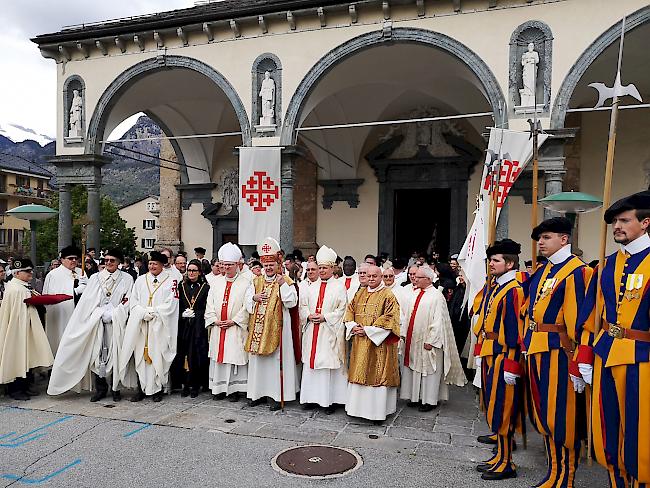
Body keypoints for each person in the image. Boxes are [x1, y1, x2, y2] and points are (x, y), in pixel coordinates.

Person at [580, 190, 650, 488]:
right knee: (609, 430)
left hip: (642, 358)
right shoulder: (607, 264)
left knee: (640, 435)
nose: (617, 226)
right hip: (605, 354)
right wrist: (583, 355)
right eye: (614, 222)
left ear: (645, 222)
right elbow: (591, 315)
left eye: (624, 220)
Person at [523, 217, 592, 488]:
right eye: (540, 238)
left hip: (559, 351)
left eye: (547, 237)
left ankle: (565, 477)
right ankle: (553, 472)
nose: (540, 242)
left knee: (561, 417)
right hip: (537, 347)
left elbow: (578, 321)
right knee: (544, 415)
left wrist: (578, 359)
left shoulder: (576, 271)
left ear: (564, 239)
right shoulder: (544, 270)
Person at [48, 249, 135, 402]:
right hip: (98, 321)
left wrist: (116, 312)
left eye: (112, 260)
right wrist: (100, 312)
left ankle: (116, 389)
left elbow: (128, 299)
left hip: (117, 321)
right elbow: (87, 301)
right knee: (97, 355)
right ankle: (100, 389)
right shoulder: (96, 278)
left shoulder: (127, 279)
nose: (108, 263)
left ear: (119, 262)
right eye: (105, 260)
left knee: (116, 355)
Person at [473, 239, 524, 480]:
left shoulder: (513, 289)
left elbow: (514, 332)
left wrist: (512, 364)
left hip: (504, 353)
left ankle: (506, 462)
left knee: (504, 407)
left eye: (496, 260)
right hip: (491, 350)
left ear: (510, 263)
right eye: (490, 260)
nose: (491, 264)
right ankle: (500, 456)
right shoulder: (496, 285)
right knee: (495, 404)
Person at [400, 266, 465, 412]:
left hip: (428, 341)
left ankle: (429, 400)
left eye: (418, 277)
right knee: (414, 368)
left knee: (429, 370)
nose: (414, 279)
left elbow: (439, 321)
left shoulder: (436, 296)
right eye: (414, 276)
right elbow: (406, 314)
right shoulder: (414, 293)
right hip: (413, 339)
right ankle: (414, 396)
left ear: (428, 279)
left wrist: (432, 340)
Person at [244, 237, 299, 410]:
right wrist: (254, 297)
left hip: (278, 330)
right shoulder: (255, 281)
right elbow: (246, 300)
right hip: (258, 330)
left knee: (275, 363)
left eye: (271, 265)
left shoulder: (286, 281)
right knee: (258, 363)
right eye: (265, 265)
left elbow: (291, 302)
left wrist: (282, 285)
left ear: (278, 266)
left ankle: (277, 396)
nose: (268, 268)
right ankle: (256, 394)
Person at [119, 251, 180, 402]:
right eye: (150, 263)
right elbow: (134, 301)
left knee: (158, 356)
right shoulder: (140, 280)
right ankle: (141, 389)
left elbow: (172, 304)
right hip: (142, 325)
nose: (152, 266)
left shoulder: (171, 281)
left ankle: (157, 389)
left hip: (160, 326)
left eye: (155, 264)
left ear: (162, 265)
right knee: (140, 356)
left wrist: (153, 312)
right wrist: (142, 313)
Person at [344, 265, 400, 422]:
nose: (371, 279)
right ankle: (356, 410)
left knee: (377, 375)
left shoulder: (388, 295)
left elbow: (390, 318)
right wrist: (352, 326)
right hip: (360, 342)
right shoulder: (360, 292)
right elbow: (349, 311)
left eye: (374, 276)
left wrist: (368, 330)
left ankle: (376, 413)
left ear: (381, 277)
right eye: (368, 276)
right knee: (358, 372)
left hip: (378, 346)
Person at [299, 246, 348, 413]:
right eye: (320, 268)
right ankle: (310, 398)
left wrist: (325, 317)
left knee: (327, 365)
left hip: (328, 332)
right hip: (312, 329)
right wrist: (307, 315)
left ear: (332, 268)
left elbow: (342, 310)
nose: (321, 271)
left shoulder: (339, 287)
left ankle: (328, 401)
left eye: (325, 268)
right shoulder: (311, 286)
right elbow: (303, 305)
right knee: (311, 365)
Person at [0, 259, 55, 400]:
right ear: (17, 273)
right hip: (18, 330)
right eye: (27, 271)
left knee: (27, 357)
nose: (31, 273)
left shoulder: (23, 287)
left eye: (31, 270)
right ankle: (16, 389)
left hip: (27, 327)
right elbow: (17, 313)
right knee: (17, 356)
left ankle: (25, 386)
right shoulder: (16, 289)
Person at [205, 244, 250, 402]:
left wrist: (234, 320)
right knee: (219, 356)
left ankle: (234, 389)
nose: (227, 268)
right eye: (224, 265)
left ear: (238, 265)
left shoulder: (246, 283)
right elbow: (209, 304)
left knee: (233, 356)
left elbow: (247, 306)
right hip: (219, 327)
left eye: (230, 265)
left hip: (234, 327)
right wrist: (215, 320)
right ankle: (218, 389)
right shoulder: (215, 282)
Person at [170, 259, 210, 398]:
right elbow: (176, 304)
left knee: (196, 355)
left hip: (198, 327)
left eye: (194, 270)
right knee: (183, 354)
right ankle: (185, 384)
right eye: (189, 270)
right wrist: (182, 313)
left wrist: (197, 313)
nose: (191, 273)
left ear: (199, 272)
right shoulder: (181, 286)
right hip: (184, 326)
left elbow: (207, 307)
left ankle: (195, 385)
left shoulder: (205, 287)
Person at [43, 245, 87, 355]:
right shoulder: (54, 275)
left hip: (79, 313)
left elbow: (89, 291)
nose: (74, 261)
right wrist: (75, 292)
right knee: (61, 340)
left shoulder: (81, 272)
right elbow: (50, 297)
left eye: (76, 258)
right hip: (61, 314)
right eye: (70, 258)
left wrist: (86, 287)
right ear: (62, 260)